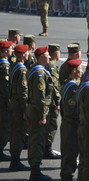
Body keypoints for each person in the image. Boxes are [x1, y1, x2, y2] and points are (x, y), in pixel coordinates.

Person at [26, 46, 53, 181]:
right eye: (47, 55)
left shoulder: (34, 70)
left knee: (34, 139)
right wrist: (43, 116)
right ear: (41, 57)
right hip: (38, 112)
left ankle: (35, 169)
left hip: (32, 109)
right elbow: (40, 97)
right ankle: (35, 172)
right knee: (37, 141)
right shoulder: (40, 74)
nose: (49, 57)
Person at [60, 59, 83, 181]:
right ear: (74, 71)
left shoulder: (67, 83)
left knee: (68, 151)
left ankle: (66, 173)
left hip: (67, 123)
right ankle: (67, 175)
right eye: (80, 68)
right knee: (70, 151)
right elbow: (72, 110)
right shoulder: (72, 87)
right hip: (72, 124)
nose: (82, 70)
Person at [8, 44, 30, 171]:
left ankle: (14, 159)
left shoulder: (14, 66)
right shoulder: (22, 70)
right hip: (18, 105)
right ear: (22, 55)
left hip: (13, 102)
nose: (28, 54)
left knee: (15, 132)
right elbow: (23, 93)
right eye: (26, 52)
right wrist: (25, 109)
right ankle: (15, 161)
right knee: (19, 133)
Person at [44, 44, 61, 159]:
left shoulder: (50, 65)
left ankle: (46, 148)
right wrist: (58, 101)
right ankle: (47, 149)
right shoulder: (52, 66)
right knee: (52, 124)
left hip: (48, 100)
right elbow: (54, 86)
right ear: (56, 53)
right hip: (52, 102)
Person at [0, 40, 13, 162]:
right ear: (4, 51)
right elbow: (6, 87)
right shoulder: (5, 66)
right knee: (4, 125)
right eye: (10, 49)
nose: (11, 51)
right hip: (3, 102)